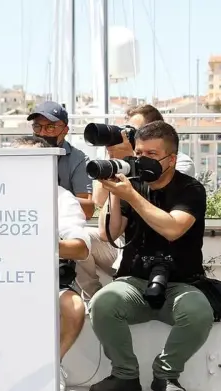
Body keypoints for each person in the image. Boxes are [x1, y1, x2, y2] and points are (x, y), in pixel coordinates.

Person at [88, 121, 213, 391]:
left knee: (198, 312)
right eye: (140, 153)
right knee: (103, 303)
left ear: (172, 159)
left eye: (152, 154)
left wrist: (132, 196)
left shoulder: (190, 189)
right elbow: (109, 234)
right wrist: (114, 193)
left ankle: (166, 375)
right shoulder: (131, 185)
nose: (143, 160)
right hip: (135, 280)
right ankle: (124, 374)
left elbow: (173, 229)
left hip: (180, 283)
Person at [76, 104, 196, 301]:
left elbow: (158, 193)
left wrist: (134, 160)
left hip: (163, 250)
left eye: (133, 131)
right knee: (79, 239)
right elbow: (99, 200)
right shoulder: (124, 158)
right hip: (123, 242)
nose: (128, 136)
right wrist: (116, 163)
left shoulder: (179, 161)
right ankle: (94, 299)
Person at [14, 136, 90, 391]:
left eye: (30, 160)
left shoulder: (62, 198)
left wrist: (38, 244)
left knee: (75, 307)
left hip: (49, 279)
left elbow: (80, 248)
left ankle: (51, 365)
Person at [27, 101, 95, 219]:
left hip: (62, 223)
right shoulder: (21, 155)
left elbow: (87, 210)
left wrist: (50, 196)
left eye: (50, 127)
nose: (42, 133)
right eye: (37, 126)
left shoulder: (79, 160)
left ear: (65, 130)